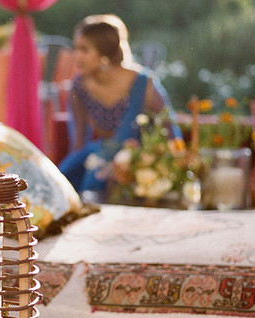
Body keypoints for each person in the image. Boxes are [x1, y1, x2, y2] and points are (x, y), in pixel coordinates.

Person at [59, 14, 179, 201]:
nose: (76, 56)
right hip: (99, 155)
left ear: (104, 54)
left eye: (84, 49)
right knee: (60, 180)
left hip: (139, 161)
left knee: (96, 178)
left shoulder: (143, 83)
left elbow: (172, 132)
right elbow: (78, 143)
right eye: (76, 48)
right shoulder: (79, 87)